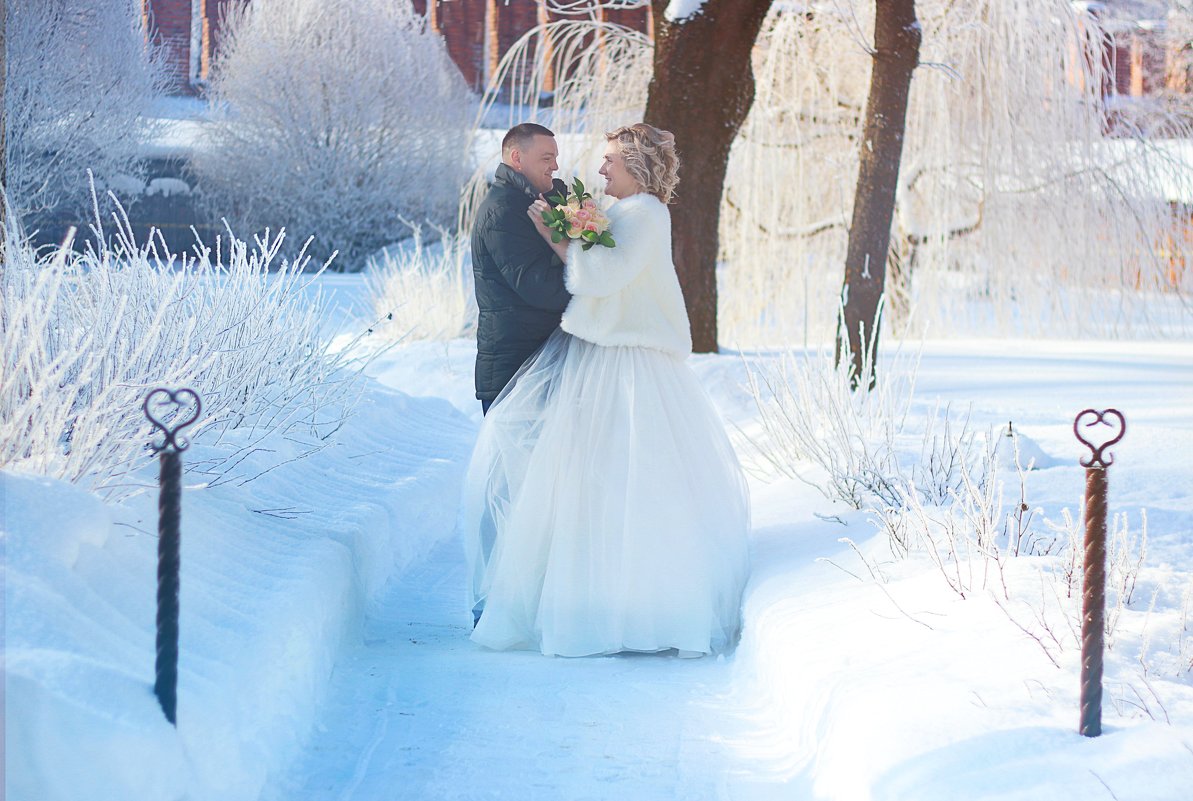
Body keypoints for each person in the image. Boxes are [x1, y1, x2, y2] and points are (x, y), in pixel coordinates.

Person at [462, 123, 751, 658]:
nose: (599, 170)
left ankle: (640, 610)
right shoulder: (621, 212)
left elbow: (599, 278)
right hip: (600, 356)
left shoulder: (646, 214)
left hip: (631, 362)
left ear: (636, 167)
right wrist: (571, 232)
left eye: (611, 161)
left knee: (631, 482)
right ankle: (590, 602)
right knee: (588, 486)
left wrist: (558, 237)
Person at [471, 123, 571, 417]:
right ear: (517, 157)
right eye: (546, 158)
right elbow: (540, 287)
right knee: (514, 463)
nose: (555, 165)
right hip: (513, 369)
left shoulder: (534, 202)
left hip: (536, 362)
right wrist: (595, 283)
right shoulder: (504, 209)